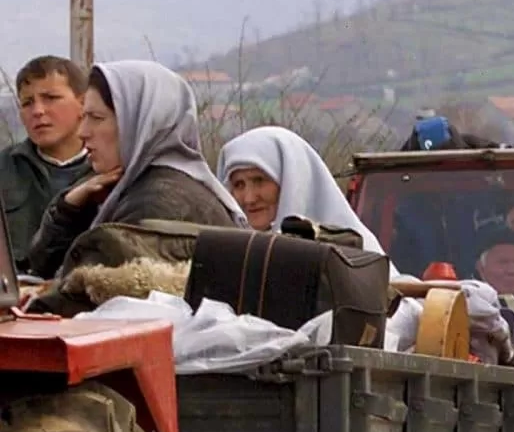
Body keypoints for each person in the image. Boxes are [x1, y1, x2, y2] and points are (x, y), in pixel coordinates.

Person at [26, 60, 245, 280]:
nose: (82, 132)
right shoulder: (116, 187)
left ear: (141, 123)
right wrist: (69, 210)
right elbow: (39, 270)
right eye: (84, 117)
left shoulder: (157, 204)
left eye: (97, 118)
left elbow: (83, 294)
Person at [218, 125, 385, 247]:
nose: (249, 198)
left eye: (259, 181)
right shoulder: (224, 257)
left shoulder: (356, 254)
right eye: (238, 185)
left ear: (291, 182)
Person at [1, 56, 93, 271]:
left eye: (50, 98)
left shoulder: (110, 171)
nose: (38, 111)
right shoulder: (5, 170)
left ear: (83, 103)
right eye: (27, 103)